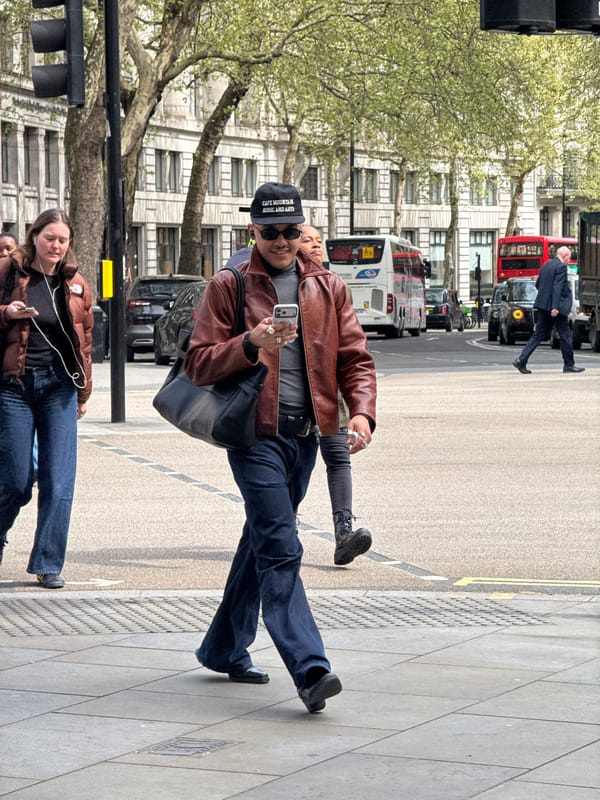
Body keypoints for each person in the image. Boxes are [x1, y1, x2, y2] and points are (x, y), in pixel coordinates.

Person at [185, 182, 376, 713]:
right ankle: (311, 667)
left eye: (293, 231)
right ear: (253, 231)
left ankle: (223, 646)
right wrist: (252, 342)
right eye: (271, 232)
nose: (284, 241)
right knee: (281, 546)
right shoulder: (230, 284)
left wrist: (360, 410)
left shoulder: (327, 286)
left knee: (261, 541)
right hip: (254, 435)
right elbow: (198, 362)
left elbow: (355, 358)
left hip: (306, 435)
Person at [0, 209, 94, 587]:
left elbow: (84, 342)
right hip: (15, 386)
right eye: (49, 238)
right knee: (17, 479)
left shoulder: (75, 285)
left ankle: (48, 562)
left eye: (63, 240)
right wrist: (7, 312)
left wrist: (84, 392)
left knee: (59, 479)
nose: (56, 246)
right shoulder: (9, 271)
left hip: (59, 388)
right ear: (34, 235)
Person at [299, 225, 372, 565]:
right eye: (306, 240)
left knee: (337, 456)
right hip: (290, 397)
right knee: (290, 467)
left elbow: (353, 350)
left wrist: (361, 407)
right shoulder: (271, 283)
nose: (315, 246)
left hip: (328, 391)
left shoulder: (331, 285)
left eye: (318, 241)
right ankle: (282, 528)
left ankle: (344, 532)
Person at [512, 246, 584, 374]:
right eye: (569, 257)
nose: (569, 260)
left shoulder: (546, 265)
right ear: (565, 256)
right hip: (556, 308)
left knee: (538, 334)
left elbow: (538, 284)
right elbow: (557, 287)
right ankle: (569, 365)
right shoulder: (561, 267)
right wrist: (555, 306)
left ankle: (521, 360)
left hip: (543, 306)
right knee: (565, 335)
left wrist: (546, 300)